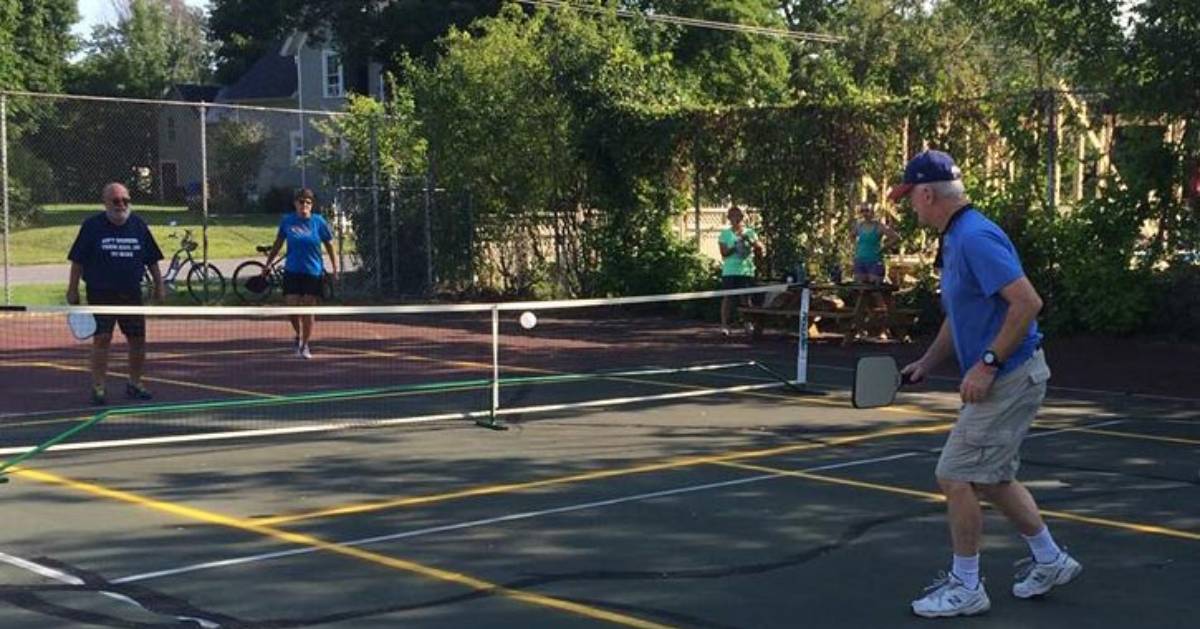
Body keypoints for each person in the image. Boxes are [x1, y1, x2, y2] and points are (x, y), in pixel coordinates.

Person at [890, 150, 1081, 618]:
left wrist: (988, 364)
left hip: (1011, 376)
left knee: (955, 474)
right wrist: (928, 362)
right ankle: (1050, 560)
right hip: (1013, 374)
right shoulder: (957, 238)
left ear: (929, 194)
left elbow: (1027, 302)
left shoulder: (974, 237)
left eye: (910, 198)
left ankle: (967, 586)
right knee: (993, 478)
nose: (910, 207)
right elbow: (963, 316)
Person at [66, 182, 165, 405]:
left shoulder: (138, 225)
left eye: (125, 201)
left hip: (131, 295)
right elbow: (77, 261)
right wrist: (72, 289)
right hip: (100, 294)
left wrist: (160, 286)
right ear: (106, 203)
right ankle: (99, 386)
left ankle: (135, 383)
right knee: (102, 339)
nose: (121, 205)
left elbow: (152, 260)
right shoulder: (92, 226)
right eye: (116, 201)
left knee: (137, 340)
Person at [261, 188, 337, 359]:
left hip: (313, 271)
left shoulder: (319, 222)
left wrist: (334, 267)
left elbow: (330, 245)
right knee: (292, 306)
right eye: (301, 202)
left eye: (308, 202)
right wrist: (268, 264)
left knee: (309, 308)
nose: (305, 205)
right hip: (292, 270)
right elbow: (278, 244)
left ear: (312, 205)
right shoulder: (287, 221)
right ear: (295, 203)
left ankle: (305, 344)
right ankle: (298, 334)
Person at [717, 205, 765, 336]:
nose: (736, 219)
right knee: (728, 298)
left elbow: (760, 248)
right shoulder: (725, 234)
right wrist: (735, 245)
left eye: (738, 216)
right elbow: (724, 253)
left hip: (746, 271)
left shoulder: (750, 232)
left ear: (742, 218)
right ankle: (725, 325)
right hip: (730, 271)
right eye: (733, 216)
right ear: (729, 218)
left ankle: (747, 324)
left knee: (746, 299)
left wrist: (749, 240)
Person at [850, 201, 899, 284]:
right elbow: (851, 236)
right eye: (863, 211)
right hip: (860, 260)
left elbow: (895, 237)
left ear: (872, 211)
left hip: (875, 261)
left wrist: (883, 248)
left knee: (875, 290)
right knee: (859, 289)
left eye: (867, 210)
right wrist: (856, 247)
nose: (865, 213)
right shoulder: (859, 226)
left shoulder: (879, 226)